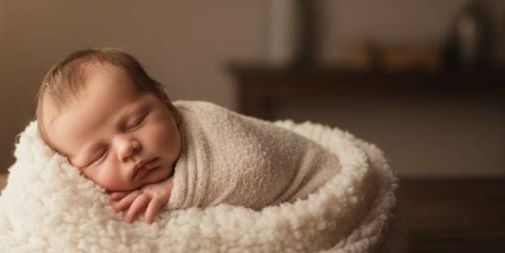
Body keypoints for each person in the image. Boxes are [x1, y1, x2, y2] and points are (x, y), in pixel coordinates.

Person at [35, 48, 338, 225]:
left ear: (168, 106)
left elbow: (258, 169)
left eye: (136, 121)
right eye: (99, 155)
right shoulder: (90, 202)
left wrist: (176, 188)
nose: (126, 147)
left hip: (323, 182)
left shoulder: (207, 126)